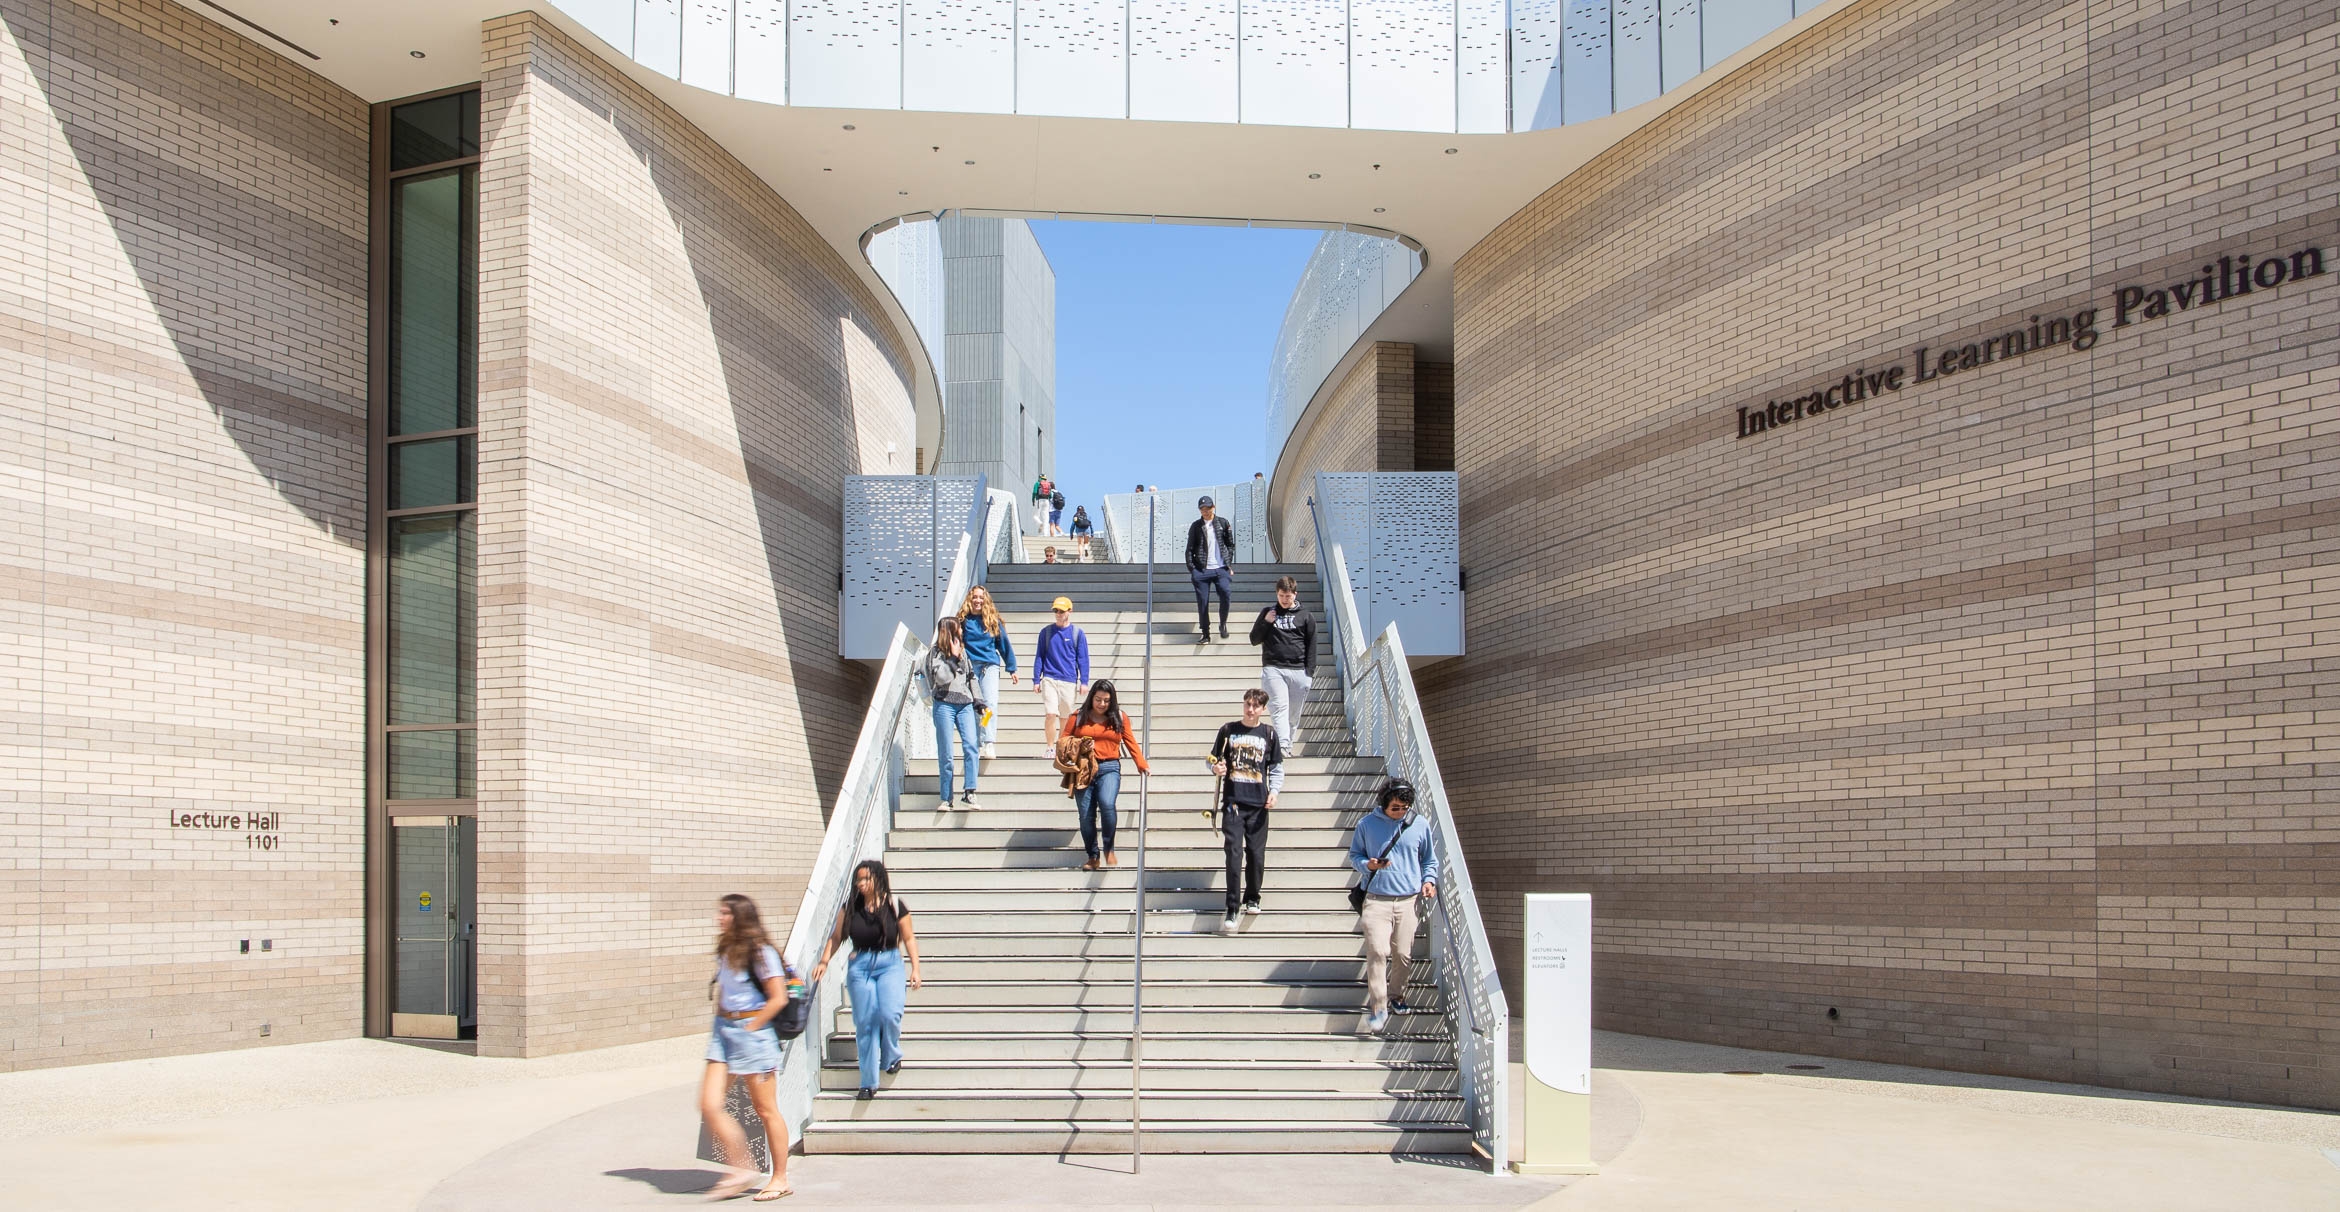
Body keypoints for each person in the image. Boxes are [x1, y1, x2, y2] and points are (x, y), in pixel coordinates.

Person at [699, 893, 794, 1202]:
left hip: (752, 1033)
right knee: (709, 1103)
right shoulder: (725, 949)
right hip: (723, 1032)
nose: (719, 917)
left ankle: (780, 1178)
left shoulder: (761, 952)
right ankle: (741, 1167)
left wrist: (752, 1028)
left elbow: (778, 997)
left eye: (725, 913)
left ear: (740, 917)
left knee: (765, 1110)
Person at [811, 861, 922, 1100]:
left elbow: (909, 937)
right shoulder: (850, 907)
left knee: (890, 1015)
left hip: (889, 963)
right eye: (858, 880)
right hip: (860, 967)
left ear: (878, 879)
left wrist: (915, 968)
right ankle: (868, 1082)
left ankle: (891, 1055)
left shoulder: (895, 904)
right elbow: (837, 936)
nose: (861, 884)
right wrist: (823, 961)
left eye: (865, 879)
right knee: (865, 1024)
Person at [1347, 779, 1437, 1034]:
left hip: (1408, 900)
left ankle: (1397, 995)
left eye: (1404, 808)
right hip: (1376, 899)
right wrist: (1370, 865)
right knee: (1377, 951)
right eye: (1395, 807)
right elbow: (1355, 856)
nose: (1400, 812)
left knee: (1403, 954)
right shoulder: (1367, 824)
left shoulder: (1418, 824)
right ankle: (1379, 1006)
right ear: (1384, 802)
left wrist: (1429, 881)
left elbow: (1429, 859)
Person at [1207, 687, 1284, 933]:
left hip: (1259, 804)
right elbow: (1212, 759)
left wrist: (1274, 792)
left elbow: (1276, 767)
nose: (1250, 710)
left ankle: (1252, 896)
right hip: (1233, 802)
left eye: (1255, 706)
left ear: (1263, 709)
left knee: (1256, 855)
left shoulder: (1269, 734)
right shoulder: (1228, 731)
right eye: (1247, 704)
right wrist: (1215, 769)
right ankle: (1232, 906)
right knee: (1233, 853)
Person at [1064, 679, 1149, 871]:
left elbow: (1130, 742)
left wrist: (1141, 764)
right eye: (1098, 699)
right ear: (1091, 698)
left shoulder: (1119, 717)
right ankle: (1093, 855)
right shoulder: (1077, 716)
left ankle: (1108, 847)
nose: (1102, 704)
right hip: (1083, 769)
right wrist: (1079, 746)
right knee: (1086, 816)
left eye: (1106, 700)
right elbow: (1064, 741)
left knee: (1107, 803)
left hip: (1109, 767)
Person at [1250, 575, 1317, 751]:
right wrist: (1266, 622)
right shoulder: (1268, 612)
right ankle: (1283, 747)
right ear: (1277, 594)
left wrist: (1309, 673)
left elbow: (1312, 645)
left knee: (1293, 715)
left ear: (1295, 594)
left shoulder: (1306, 616)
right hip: (1274, 668)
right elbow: (1254, 639)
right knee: (1279, 707)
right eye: (1281, 596)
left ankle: (1287, 745)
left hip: (1298, 671)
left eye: (1288, 596)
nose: (1284, 600)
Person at [925, 617, 982, 810]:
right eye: (958, 628)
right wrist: (952, 658)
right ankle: (946, 798)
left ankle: (970, 792)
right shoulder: (935, 653)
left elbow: (971, 677)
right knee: (946, 752)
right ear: (948, 631)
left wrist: (979, 701)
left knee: (971, 746)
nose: (962, 631)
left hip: (964, 703)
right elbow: (941, 678)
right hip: (944, 703)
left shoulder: (964, 652)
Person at [956, 585, 1018, 757]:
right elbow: (955, 643)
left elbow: (1003, 644)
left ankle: (988, 741)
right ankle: (976, 742)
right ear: (970, 599)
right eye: (975, 597)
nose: (977, 600)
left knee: (989, 704)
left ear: (985, 600)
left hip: (989, 666)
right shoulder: (963, 620)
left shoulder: (992, 620)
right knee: (973, 706)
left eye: (981, 597)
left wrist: (1011, 667)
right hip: (970, 667)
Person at [1032, 596, 1090, 752]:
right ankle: (1050, 747)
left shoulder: (1077, 633)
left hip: (1069, 679)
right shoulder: (1046, 632)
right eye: (1056, 610)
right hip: (1050, 677)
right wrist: (1036, 679)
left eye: (1061, 611)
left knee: (1065, 717)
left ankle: (1061, 746)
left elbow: (1083, 658)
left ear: (1069, 611)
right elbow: (1039, 656)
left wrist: (1084, 681)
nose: (1058, 613)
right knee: (1051, 713)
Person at [1186, 495, 1236, 643]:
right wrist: (1192, 569)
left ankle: (1222, 624)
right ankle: (1206, 633)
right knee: (1203, 601)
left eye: (1207, 508)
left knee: (1225, 593)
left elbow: (1230, 544)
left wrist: (1228, 563)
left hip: (1221, 568)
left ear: (1213, 507)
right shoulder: (1196, 526)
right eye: (1202, 509)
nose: (1205, 511)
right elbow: (1189, 549)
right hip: (1201, 570)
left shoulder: (1222, 522)